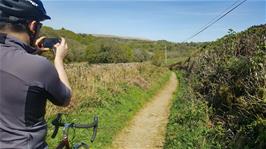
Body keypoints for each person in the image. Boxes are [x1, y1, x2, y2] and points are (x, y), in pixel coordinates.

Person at [0, 0, 72, 148]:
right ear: (32, 26)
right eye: (39, 26)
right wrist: (58, 60)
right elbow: (65, 98)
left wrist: (30, 50)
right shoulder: (39, 66)